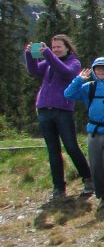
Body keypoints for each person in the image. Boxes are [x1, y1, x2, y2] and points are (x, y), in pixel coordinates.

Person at [25, 34, 94, 201]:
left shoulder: (74, 63)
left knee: (71, 146)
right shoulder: (49, 62)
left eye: (58, 47)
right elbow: (34, 71)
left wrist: (48, 54)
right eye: (53, 47)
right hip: (44, 110)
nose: (55, 50)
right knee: (53, 150)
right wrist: (29, 55)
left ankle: (88, 178)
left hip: (63, 110)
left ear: (67, 48)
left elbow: (66, 72)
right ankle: (58, 187)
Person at [64, 57, 104, 209]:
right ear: (93, 70)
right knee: (95, 165)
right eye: (98, 68)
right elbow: (68, 94)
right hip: (94, 130)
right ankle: (103, 196)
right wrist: (79, 80)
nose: (101, 70)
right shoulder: (88, 87)